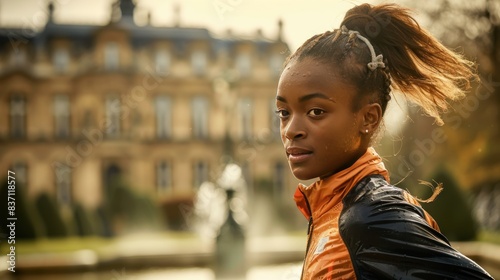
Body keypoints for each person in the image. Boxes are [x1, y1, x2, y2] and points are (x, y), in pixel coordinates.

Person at [275, 3, 493, 280]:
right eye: (284, 112)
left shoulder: (370, 217)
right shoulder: (335, 208)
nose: (291, 129)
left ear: (368, 118)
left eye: (316, 111)